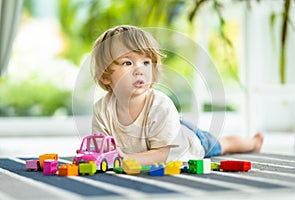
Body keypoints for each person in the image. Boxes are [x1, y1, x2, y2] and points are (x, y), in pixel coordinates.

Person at [91, 25, 264, 166]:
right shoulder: (102, 109)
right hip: (164, 127)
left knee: (222, 145)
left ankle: (253, 143)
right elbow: (101, 147)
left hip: (187, 139)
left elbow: (164, 154)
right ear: (105, 76)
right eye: (127, 63)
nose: (139, 70)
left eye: (146, 62)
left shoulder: (160, 105)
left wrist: (129, 160)